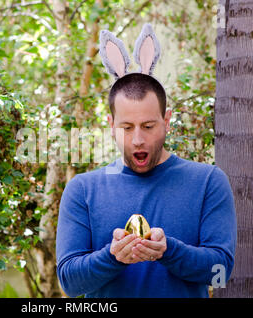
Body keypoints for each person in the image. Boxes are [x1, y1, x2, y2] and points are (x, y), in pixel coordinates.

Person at [55, 24, 237, 298]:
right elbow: (69, 283)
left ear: (166, 121)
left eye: (149, 126)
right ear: (111, 125)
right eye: (127, 128)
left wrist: (169, 251)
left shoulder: (208, 181)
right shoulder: (82, 190)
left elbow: (221, 273)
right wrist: (113, 257)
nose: (138, 139)